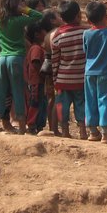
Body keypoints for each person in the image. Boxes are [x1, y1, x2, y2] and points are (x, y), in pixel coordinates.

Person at [0, 0, 43, 133]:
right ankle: (21, 126)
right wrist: (24, 10)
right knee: (18, 91)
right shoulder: (19, 20)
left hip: (2, 59)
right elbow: (39, 16)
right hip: (17, 58)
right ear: (17, 3)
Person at [82, 1, 107, 144]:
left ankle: (93, 132)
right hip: (105, 73)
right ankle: (106, 133)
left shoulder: (86, 34)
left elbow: (85, 52)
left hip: (88, 73)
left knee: (90, 101)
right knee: (105, 100)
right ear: (106, 17)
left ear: (88, 20)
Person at [51, 0, 87, 140]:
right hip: (81, 78)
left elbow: (55, 61)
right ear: (79, 15)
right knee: (81, 105)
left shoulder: (57, 36)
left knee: (62, 106)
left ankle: (65, 131)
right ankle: (83, 132)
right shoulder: (85, 32)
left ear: (61, 18)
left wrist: (55, 78)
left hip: (63, 79)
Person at [40, 8, 63, 136]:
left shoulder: (47, 35)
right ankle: (55, 128)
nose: (61, 17)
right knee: (56, 99)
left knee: (51, 98)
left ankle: (52, 127)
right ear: (53, 21)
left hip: (48, 69)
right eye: (58, 15)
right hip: (56, 69)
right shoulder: (57, 33)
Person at [24, 21, 48, 134]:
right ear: (37, 34)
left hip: (39, 81)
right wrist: (44, 72)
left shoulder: (37, 48)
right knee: (35, 102)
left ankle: (38, 125)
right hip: (36, 81)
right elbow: (36, 62)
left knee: (41, 103)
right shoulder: (36, 49)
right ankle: (31, 124)